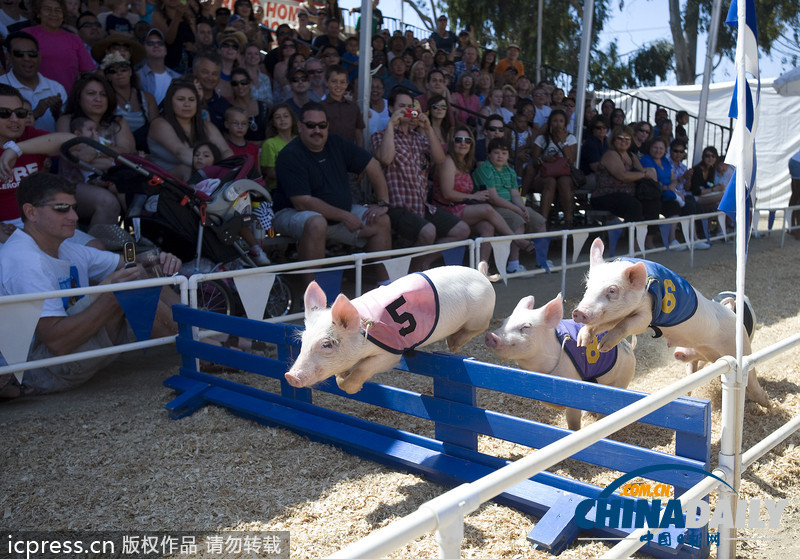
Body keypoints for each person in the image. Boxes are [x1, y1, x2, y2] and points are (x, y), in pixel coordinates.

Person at [0, 172, 181, 398]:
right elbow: (57, 343)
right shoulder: (25, 262)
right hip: (39, 371)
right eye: (62, 208)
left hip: (61, 355)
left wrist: (156, 258)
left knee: (140, 273)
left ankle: (200, 333)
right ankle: (202, 345)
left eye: (74, 207)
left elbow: (130, 262)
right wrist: (111, 296)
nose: (74, 216)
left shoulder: (62, 246)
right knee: (129, 284)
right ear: (31, 212)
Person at [272, 102, 391, 283]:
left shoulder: (336, 143)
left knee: (381, 220)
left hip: (338, 216)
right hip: (291, 213)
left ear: (328, 126)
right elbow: (302, 202)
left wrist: (382, 203)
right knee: (316, 223)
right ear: (300, 126)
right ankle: (311, 293)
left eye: (322, 125)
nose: (317, 130)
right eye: (311, 125)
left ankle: (385, 285)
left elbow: (372, 164)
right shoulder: (290, 154)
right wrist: (345, 216)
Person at [370, 88, 469, 267]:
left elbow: (440, 159)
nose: (407, 111)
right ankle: (412, 272)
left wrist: (428, 128)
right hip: (395, 208)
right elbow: (385, 158)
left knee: (462, 230)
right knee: (428, 232)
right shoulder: (380, 136)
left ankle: (422, 263)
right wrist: (391, 125)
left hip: (421, 206)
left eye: (410, 107)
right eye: (402, 106)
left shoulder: (420, 139)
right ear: (391, 108)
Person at [431, 126, 531, 270]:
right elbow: (447, 194)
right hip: (445, 208)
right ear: (452, 142)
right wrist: (474, 196)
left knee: (488, 227)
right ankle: (517, 240)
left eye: (467, 140)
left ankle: (481, 271)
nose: (463, 143)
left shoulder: (465, 163)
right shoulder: (448, 161)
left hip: (460, 207)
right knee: (487, 209)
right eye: (459, 140)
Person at [472, 137, 547, 273]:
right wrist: (517, 210)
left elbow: (515, 194)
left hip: (511, 206)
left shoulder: (510, 171)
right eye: (496, 152)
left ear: (508, 155)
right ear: (489, 154)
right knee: (518, 222)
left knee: (540, 221)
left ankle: (542, 261)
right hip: (492, 208)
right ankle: (513, 265)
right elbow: (493, 199)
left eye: (504, 153)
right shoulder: (484, 169)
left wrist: (522, 208)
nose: (500, 156)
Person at [191, 140, 269, 265]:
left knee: (237, 221)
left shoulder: (219, 175)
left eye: (206, 155)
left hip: (222, 211)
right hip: (200, 214)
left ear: (215, 159)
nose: (200, 158)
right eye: (197, 155)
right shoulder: (190, 177)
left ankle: (256, 249)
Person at [147, 79, 232, 180]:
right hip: (163, 182)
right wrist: (215, 169)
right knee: (187, 169)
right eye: (181, 99)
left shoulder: (205, 125)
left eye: (191, 100)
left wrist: (232, 168)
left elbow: (226, 151)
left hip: (204, 177)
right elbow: (181, 152)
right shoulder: (160, 124)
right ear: (170, 102)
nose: (187, 104)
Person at [590, 126, 660, 228]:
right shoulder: (611, 154)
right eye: (620, 138)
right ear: (613, 140)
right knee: (633, 205)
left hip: (627, 195)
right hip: (605, 196)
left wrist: (650, 171)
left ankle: (649, 236)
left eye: (627, 138)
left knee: (652, 202)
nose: (624, 141)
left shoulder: (632, 156)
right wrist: (645, 174)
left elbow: (642, 172)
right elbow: (623, 176)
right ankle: (630, 236)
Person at [0, 31, 67, 133]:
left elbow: (66, 128)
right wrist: (34, 114)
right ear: (8, 56)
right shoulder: (1, 85)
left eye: (32, 54)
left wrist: (57, 113)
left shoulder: (56, 88)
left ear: (39, 56)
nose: (27, 59)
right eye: (19, 54)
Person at [26, 0, 96, 92]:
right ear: (38, 13)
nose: (53, 14)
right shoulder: (27, 35)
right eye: (48, 9)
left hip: (69, 96)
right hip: (33, 95)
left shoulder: (74, 39)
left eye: (58, 10)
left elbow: (87, 71)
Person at [527, 109, 577, 228]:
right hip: (545, 175)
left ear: (565, 123)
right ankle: (543, 222)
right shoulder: (541, 139)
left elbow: (571, 160)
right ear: (550, 122)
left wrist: (563, 141)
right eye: (555, 121)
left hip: (564, 174)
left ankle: (569, 220)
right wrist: (544, 158)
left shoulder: (571, 138)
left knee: (564, 181)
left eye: (561, 121)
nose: (558, 124)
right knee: (551, 182)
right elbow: (534, 161)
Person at [100, 51, 158, 153]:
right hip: (118, 151)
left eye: (124, 69)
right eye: (113, 71)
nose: (119, 73)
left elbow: (156, 129)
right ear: (107, 76)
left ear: (130, 72)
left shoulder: (148, 98)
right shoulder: (105, 99)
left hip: (146, 151)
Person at [639, 137, 683, 249]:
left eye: (661, 148)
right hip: (652, 193)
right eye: (655, 147)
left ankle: (672, 239)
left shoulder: (665, 161)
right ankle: (649, 241)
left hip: (667, 193)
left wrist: (672, 187)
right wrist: (667, 188)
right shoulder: (646, 159)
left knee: (676, 206)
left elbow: (673, 179)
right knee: (654, 206)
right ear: (650, 148)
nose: (658, 150)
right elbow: (653, 179)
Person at [321, 64, 365, 147]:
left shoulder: (353, 107)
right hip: (327, 150)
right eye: (334, 81)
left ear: (347, 84)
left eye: (342, 82)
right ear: (326, 82)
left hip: (349, 151)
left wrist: (360, 152)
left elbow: (359, 135)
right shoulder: (320, 107)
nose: (338, 85)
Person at [137, 27, 182, 106]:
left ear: (166, 50)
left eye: (160, 43)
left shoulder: (178, 78)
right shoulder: (137, 77)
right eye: (150, 43)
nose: (156, 45)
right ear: (144, 49)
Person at [192, 49, 231, 132]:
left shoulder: (225, 107)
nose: (210, 78)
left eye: (215, 74)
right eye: (205, 72)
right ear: (194, 71)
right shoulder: (179, 98)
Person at [150, 0, 195, 72]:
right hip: (170, 66)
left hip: (189, 65)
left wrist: (193, 47)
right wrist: (177, 17)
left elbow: (195, 39)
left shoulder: (187, 17)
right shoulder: (157, 15)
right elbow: (168, 40)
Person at [259, 103, 296, 191]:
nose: (282, 119)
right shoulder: (269, 144)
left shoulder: (301, 140)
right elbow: (270, 173)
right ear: (273, 122)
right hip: (279, 188)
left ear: (292, 119)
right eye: (278, 117)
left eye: (286, 116)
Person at [227, 66, 268, 143]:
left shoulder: (264, 106)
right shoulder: (227, 108)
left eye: (244, 82)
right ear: (231, 86)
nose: (240, 86)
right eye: (235, 83)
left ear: (250, 84)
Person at [690, 146, 725, 212]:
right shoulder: (697, 170)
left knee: (719, 204)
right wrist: (714, 189)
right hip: (695, 198)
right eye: (707, 156)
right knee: (725, 195)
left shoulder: (711, 169)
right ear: (703, 157)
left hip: (705, 195)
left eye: (713, 156)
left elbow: (710, 184)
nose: (710, 158)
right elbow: (696, 191)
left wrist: (716, 187)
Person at [579, 115, 609, 183]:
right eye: (598, 128)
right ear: (593, 129)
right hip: (588, 176)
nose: (602, 130)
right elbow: (596, 168)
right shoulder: (590, 143)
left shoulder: (606, 141)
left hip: (602, 174)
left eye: (604, 127)